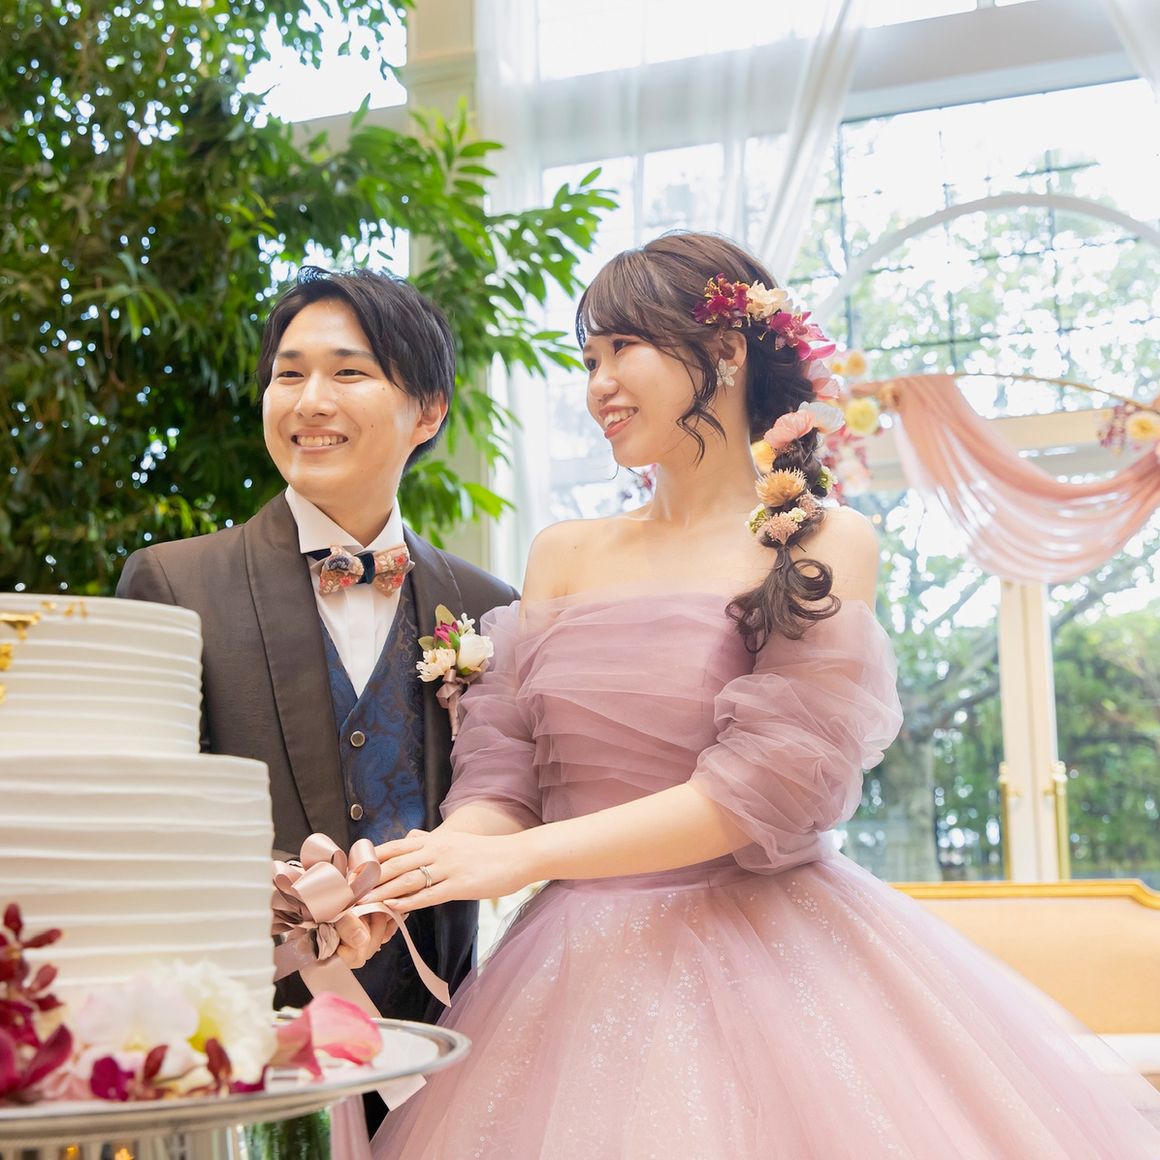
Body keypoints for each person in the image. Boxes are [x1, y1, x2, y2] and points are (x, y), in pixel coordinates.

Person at [364, 232, 1160, 1158]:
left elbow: (757, 792)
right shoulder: (563, 553)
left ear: (727, 350)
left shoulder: (823, 542)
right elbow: (501, 780)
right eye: (589, 361)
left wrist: (520, 860)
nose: (598, 386)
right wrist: (428, 863)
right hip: (566, 968)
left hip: (771, 957)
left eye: (624, 349)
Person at [116, 266, 517, 1039]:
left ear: (428, 410)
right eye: (289, 374)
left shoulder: (488, 603)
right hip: (240, 1030)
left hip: (439, 1028)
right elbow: (141, 817)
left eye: (349, 373)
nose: (309, 402)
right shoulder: (173, 582)